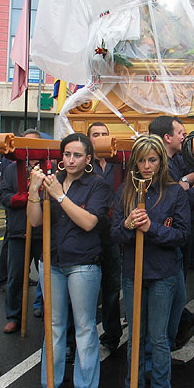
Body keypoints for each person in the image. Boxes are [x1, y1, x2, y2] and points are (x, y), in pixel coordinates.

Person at [27, 133, 112, 388]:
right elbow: (35, 222)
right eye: (67, 154)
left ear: (88, 159)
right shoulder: (54, 182)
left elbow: (89, 223)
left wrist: (60, 196)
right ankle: (49, 386)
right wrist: (33, 191)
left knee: (85, 327)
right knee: (54, 327)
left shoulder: (97, 186)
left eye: (77, 155)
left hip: (83, 264)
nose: (71, 159)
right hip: (51, 261)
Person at [111, 134, 190, 388]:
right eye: (142, 160)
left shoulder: (174, 192)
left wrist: (152, 228)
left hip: (162, 274)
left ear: (161, 161)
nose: (147, 165)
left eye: (152, 160)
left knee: (157, 337)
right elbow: (115, 234)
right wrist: (129, 224)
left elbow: (182, 236)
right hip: (133, 273)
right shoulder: (126, 191)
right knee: (135, 336)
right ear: (135, 162)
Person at [148, 115, 194, 350]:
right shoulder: (158, 167)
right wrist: (190, 190)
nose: (184, 136)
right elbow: (178, 200)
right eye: (180, 132)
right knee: (166, 298)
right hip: (163, 243)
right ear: (167, 137)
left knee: (178, 294)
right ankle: (159, 352)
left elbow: (192, 177)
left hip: (178, 238)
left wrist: (186, 184)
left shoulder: (178, 158)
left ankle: (165, 345)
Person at [0, 129, 43, 334]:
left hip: (43, 232)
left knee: (47, 276)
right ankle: (13, 316)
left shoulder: (50, 167)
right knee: (16, 276)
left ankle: (43, 306)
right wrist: (17, 199)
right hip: (18, 231)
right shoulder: (11, 169)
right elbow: (3, 195)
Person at [87, 122, 123, 353]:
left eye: (104, 134)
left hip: (112, 235)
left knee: (111, 287)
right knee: (86, 289)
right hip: (87, 233)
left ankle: (111, 333)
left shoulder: (119, 163)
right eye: (95, 135)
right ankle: (84, 334)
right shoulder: (83, 164)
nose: (100, 138)